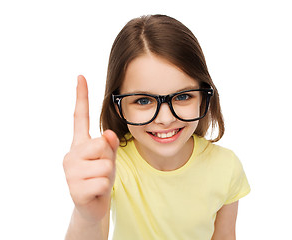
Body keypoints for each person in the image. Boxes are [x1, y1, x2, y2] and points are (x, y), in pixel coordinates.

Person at [63, 14, 251, 240]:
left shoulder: (226, 167)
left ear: (203, 96)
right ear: (119, 106)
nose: (165, 118)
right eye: (143, 101)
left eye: (183, 96)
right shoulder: (112, 168)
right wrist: (86, 217)